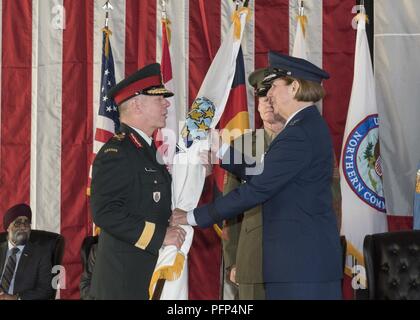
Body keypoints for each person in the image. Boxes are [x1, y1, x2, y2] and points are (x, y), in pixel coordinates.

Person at [172, 52, 343, 300]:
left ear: (294, 87)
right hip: (301, 266)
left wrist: (192, 217)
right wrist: (221, 150)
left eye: (274, 86)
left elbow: (257, 189)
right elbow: (264, 173)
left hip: (301, 270)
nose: (269, 94)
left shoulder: (297, 133)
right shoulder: (305, 126)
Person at [90, 63, 186, 300]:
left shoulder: (146, 149)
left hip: (145, 273)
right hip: (123, 281)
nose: (167, 103)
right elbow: (105, 213)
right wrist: (160, 235)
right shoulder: (118, 152)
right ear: (137, 105)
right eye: (159, 99)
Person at [222, 68, 284, 300]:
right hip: (252, 259)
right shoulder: (242, 146)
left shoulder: (308, 142)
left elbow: (332, 205)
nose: (267, 102)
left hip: (299, 259)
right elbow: (230, 208)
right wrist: (233, 262)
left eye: (273, 95)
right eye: (261, 96)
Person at [0, 204, 53, 300]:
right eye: (18, 223)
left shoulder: (41, 254)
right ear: (8, 228)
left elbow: (46, 289)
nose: (23, 226)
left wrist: (16, 298)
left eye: (27, 223)